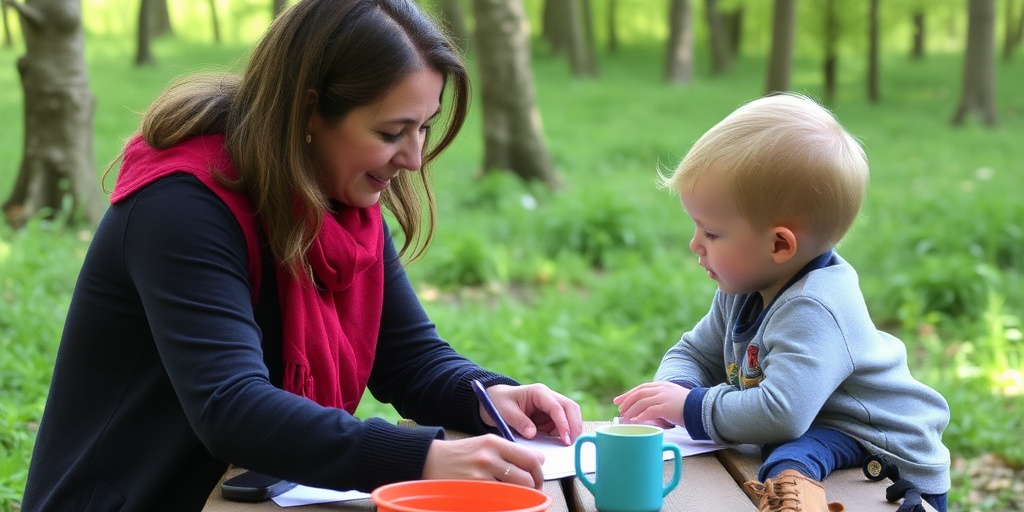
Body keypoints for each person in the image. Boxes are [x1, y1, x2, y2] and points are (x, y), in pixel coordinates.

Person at [21, 0, 582, 510]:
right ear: (310, 112)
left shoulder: (342, 197)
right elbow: (231, 406)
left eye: (424, 128)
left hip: (255, 494)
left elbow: (409, 359)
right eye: (392, 132)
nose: (413, 158)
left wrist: (488, 398)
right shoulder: (182, 207)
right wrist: (422, 457)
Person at [613, 93, 950, 512]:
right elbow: (694, 351)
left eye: (712, 233)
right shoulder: (742, 290)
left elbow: (781, 412)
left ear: (778, 244)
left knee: (788, 464)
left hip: (884, 452)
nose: (694, 245)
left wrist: (692, 407)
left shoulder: (814, 307)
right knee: (786, 459)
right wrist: (678, 387)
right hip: (821, 431)